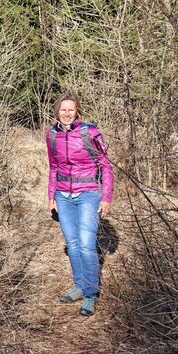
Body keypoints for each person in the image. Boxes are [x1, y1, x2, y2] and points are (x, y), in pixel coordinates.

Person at [47, 93, 114, 316]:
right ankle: (79, 286)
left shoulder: (89, 132)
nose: (66, 113)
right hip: (63, 195)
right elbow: (53, 167)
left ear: (78, 112)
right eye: (62, 110)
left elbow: (105, 165)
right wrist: (51, 197)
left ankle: (91, 295)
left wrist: (106, 197)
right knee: (73, 244)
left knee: (86, 244)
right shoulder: (52, 135)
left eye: (71, 110)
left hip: (88, 194)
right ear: (57, 112)